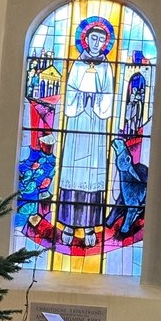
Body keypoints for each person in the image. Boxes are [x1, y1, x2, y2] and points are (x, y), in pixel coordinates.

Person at [57, 18, 114, 249]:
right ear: (86, 39)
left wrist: (97, 99)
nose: (97, 42)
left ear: (105, 43)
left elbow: (109, 95)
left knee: (92, 176)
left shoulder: (106, 67)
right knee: (73, 172)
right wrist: (81, 98)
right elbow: (69, 92)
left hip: (95, 126)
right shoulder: (78, 65)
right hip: (78, 121)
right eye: (93, 38)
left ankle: (89, 226)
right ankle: (68, 225)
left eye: (101, 39)